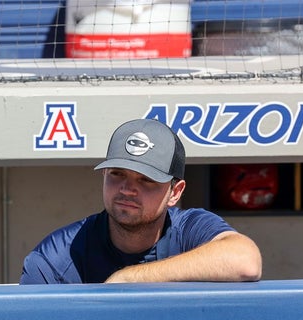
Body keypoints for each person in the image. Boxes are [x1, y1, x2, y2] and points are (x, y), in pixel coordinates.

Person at [19, 118, 262, 284]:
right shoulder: (57, 257)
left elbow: (246, 261)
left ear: (175, 192)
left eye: (147, 179)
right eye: (117, 174)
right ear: (104, 175)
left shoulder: (189, 229)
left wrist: (128, 278)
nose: (127, 189)